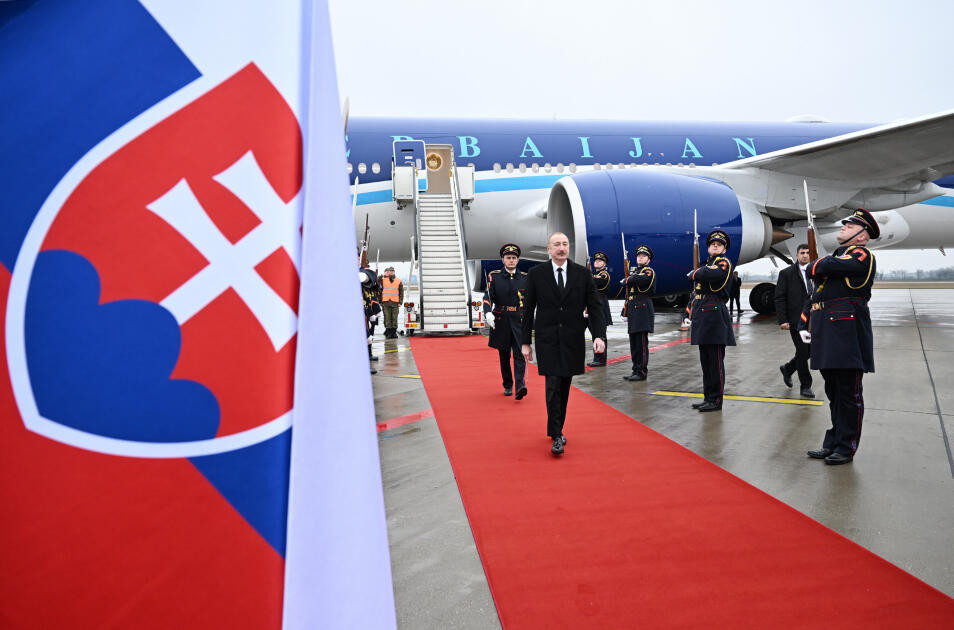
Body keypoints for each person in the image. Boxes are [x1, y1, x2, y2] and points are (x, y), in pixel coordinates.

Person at [799, 208, 879, 465]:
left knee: (848, 393)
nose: (843, 228)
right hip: (827, 332)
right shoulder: (837, 258)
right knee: (834, 392)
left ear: (862, 236)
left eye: (850, 226)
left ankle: (846, 447)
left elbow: (825, 265)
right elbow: (815, 294)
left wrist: (817, 265)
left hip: (847, 333)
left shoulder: (861, 254)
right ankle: (833, 442)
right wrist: (805, 323)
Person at [521, 232, 606, 455]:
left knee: (564, 385)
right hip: (547, 339)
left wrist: (599, 336)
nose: (561, 248)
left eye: (565, 244)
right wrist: (525, 342)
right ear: (548, 249)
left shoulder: (582, 274)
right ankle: (556, 434)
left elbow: (595, 306)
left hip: (572, 339)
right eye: (557, 244)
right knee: (553, 384)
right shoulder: (536, 274)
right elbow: (528, 309)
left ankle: (557, 428)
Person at [687, 230, 735, 412]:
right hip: (702, 313)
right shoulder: (705, 265)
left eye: (719, 244)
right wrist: (687, 313)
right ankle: (708, 397)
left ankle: (716, 400)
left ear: (724, 249)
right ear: (707, 248)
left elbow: (712, 275)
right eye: (713, 243)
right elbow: (696, 291)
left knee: (715, 362)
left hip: (714, 313)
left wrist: (695, 273)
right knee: (706, 362)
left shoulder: (723, 262)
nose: (715, 245)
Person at [483, 243, 529, 399]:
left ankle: (520, 386)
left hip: (518, 320)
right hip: (501, 319)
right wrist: (488, 313)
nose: (511, 260)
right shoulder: (494, 276)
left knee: (520, 354)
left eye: (514, 258)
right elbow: (487, 297)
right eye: (508, 258)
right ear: (503, 260)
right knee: (504, 356)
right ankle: (508, 384)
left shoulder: (525, 278)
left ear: (518, 260)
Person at [775, 244, 814, 398]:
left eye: (808, 252)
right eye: (802, 253)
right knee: (803, 351)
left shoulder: (817, 271)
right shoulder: (786, 273)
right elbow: (779, 298)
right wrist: (783, 320)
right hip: (796, 320)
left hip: (814, 319)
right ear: (797, 255)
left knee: (809, 351)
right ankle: (806, 386)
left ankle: (788, 368)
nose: (805, 255)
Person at [622, 245, 656, 381]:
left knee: (641, 344)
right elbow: (629, 294)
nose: (640, 258)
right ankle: (635, 369)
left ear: (648, 260)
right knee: (634, 343)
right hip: (633, 309)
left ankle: (641, 372)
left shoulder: (648, 271)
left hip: (642, 309)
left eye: (644, 256)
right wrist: (624, 310)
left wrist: (628, 279)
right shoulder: (635, 273)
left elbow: (642, 280)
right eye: (639, 256)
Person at [587, 252, 613, 367]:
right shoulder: (592, 274)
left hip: (600, 305)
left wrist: (587, 277)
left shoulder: (604, 274)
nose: (597, 262)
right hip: (591, 305)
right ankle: (597, 357)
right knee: (594, 333)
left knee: (600, 333)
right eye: (596, 260)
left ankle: (601, 359)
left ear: (604, 264)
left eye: (600, 261)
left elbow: (597, 282)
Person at [359, 265, 381, 374]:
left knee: (370, 335)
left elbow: (374, 296)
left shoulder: (370, 286)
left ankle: (369, 355)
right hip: (364, 314)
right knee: (364, 337)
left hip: (370, 313)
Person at [380, 266, 404, 339]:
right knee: (387, 318)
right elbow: (377, 282)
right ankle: (389, 332)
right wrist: (383, 275)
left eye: (392, 271)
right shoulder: (383, 280)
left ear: (394, 272)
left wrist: (400, 302)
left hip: (395, 302)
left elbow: (401, 292)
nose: (390, 272)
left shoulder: (398, 281)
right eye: (389, 271)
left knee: (394, 318)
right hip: (386, 302)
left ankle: (394, 332)